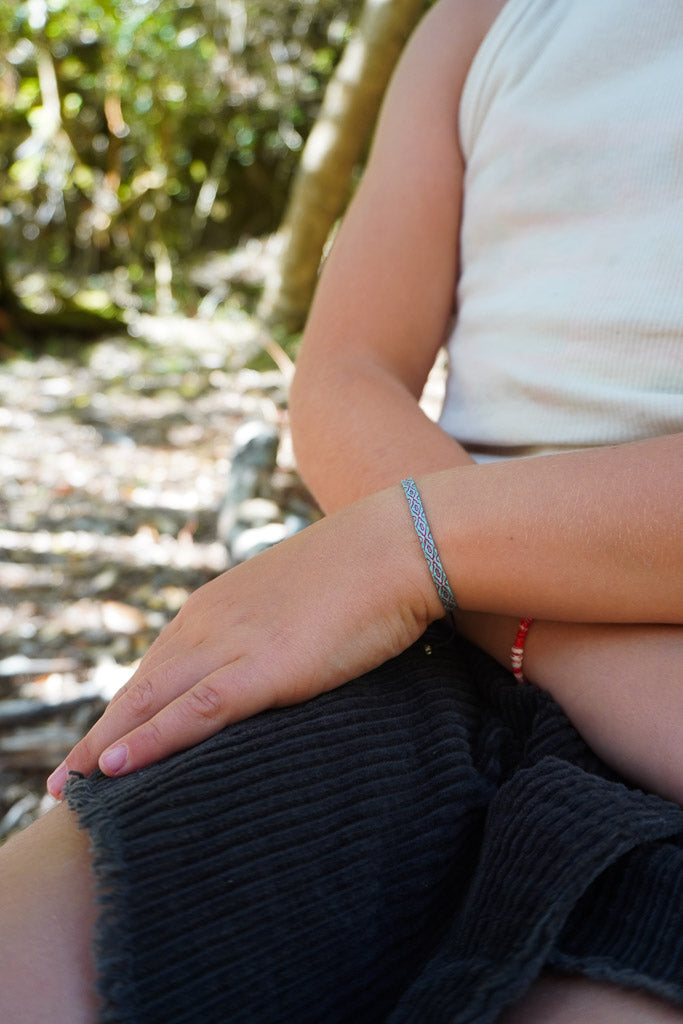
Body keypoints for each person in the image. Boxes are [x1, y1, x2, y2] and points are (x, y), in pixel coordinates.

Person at [1, 0, 682, 1020]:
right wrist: (430, 568)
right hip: (424, 630)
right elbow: (345, 372)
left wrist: (412, 547)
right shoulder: (479, 20)